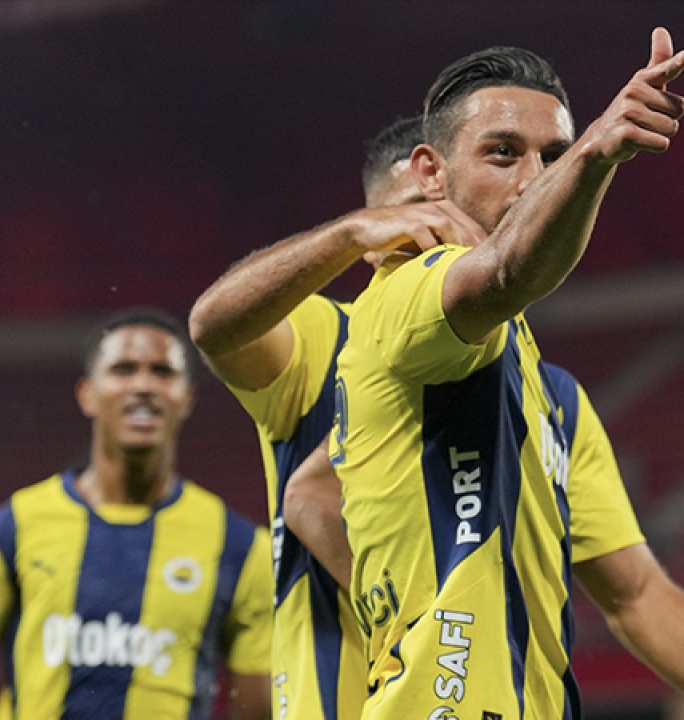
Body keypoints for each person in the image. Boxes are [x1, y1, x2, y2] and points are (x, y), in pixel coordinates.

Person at [329, 31, 684, 720]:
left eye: (552, 154)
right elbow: (505, 273)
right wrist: (592, 154)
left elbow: (636, 594)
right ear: (432, 173)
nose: (532, 177)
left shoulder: (556, 400)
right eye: (502, 152)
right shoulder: (402, 295)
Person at [187, 115, 481, 719]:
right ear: (375, 237)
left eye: (454, 210)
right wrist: (344, 234)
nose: (437, 229)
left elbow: (634, 592)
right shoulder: (326, 334)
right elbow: (215, 327)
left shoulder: (519, 370)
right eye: (411, 213)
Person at [0, 308, 272, 720]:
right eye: (123, 370)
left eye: (162, 372)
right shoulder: (10, 530)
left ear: (186, 398)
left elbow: (258, 714)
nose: (143, 386)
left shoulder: (240, 549)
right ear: (87, 394)